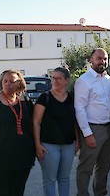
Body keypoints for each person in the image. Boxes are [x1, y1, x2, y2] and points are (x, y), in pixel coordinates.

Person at [74, 48, 110, 196]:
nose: (102, 62)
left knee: (104, 167)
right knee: (86, 168)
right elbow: (79, 108)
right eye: (99, 58)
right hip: (92, 129)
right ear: (91, 59)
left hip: (108, 129)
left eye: (105, 59)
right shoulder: (84, 81)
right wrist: (87, 133)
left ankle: (100, 193)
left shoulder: (108, 79)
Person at [33, 67, 78, 196]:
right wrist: (37, 145)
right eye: (53, 78)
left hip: (68, 145)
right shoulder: (44, 98)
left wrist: (77, 141)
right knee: (50, 179)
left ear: (66, 80)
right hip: (48, 145)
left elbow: (74, 121)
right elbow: (36, 122)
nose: (55, 81)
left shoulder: (72, 98)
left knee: (64, 178)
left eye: (59, 78)